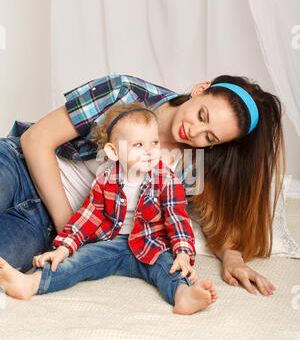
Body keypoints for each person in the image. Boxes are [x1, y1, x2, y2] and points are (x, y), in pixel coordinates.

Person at [0, 73, 284, 296]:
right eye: (201, 115)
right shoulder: (123, 92)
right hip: (21, 165)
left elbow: (211, 222)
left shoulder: (190, 166)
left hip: (41, 223)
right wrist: (70, 232)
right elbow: (35, 140)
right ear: (200, 89)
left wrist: (233, 259)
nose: (195, 132)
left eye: (209, 138)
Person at [0, 103, 217, 315]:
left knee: (170, 267)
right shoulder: (106, 178)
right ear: (113, 151)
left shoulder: (166, 178)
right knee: (77, 262)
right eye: (138, 145)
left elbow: (177, 218)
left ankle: (183, 295)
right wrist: (63, 248)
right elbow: (89, 216)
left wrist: (183, 253)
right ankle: (31, 283)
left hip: (151, 243)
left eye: (154, 142)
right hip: (110, 242)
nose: (150, 152)